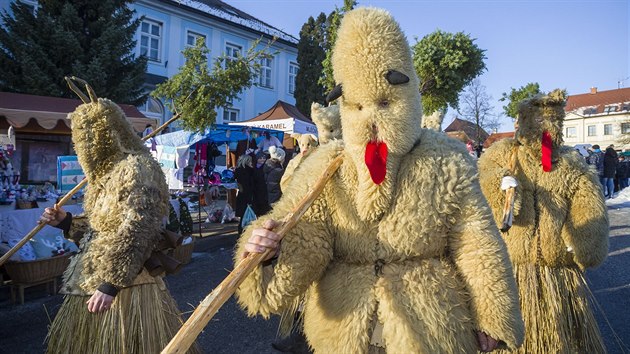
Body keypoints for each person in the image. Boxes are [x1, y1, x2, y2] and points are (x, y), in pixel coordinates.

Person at [234, 8, 524, 353]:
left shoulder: (446, 160)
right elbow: (308, 235)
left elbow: (475, 242)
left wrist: (491, 315)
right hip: (343, 326)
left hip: (430, 324)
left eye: (385, 102)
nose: (370, 117)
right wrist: (270, 250)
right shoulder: (327, 166)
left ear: (408, 94)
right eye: (356, 106)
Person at [40, 91, 199, 353]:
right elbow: (99, 229)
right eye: (81, 134)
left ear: (111, 131)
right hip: (88, 280)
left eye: (92, 133)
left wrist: (111, 283)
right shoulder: (103, 175)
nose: (87, 142)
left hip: (126, 289)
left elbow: (139, 227)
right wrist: (66, 222)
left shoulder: (138, 167)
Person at [478, 90, 609, 353]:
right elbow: (482, 175)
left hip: (557, 269)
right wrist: (499, 182)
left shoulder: (570, 163)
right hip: (513, 268)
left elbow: (589, 204)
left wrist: (585, 241)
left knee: (562, 335)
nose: (546, 130)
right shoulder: (504, 153)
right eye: (539, 122)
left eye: (553, 123)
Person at [234, 154, 255, 234]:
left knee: (243, 216)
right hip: (248, 195)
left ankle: (240, 231)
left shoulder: (237, 170)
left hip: (241, 195)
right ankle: (246, 231)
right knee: (248, 215)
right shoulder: (250, 171)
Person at [252, 151, 271, 216]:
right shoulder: (254, 166)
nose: (262, 159)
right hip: (255, 188)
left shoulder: (265, 166)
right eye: (260, 158)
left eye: (264, 158)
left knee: (263, 202)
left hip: (263, 187)